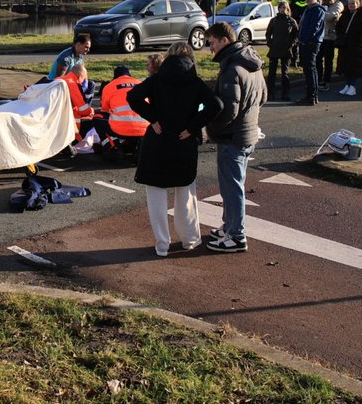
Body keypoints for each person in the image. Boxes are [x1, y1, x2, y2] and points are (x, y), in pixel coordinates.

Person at [127, 42, 222, 257]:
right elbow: (215, 105)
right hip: (183, 141)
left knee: (156, 194)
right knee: (186, 193)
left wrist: (153, 119)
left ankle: (162, 244)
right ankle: (190, 239)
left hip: (158, 141)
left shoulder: (157, 79)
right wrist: (192, 126)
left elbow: (133, 97)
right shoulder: (195, 82)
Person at [204, 22, 267, 253]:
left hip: (232, 137)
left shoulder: (231, 69)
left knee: (231, 188)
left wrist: (212, 126)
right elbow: (263, 97)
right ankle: (228, 226)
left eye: (211, 42)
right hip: (248, 132)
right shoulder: (252, 63)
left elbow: (229, 109)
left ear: (224, 40)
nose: (210, 48)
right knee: (232, 185)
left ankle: (237, 236)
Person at [96, 64, 149, 154]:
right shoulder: (141, 83)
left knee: (98, 117)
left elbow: (105, 109)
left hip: (120, 130)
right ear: (129, 75)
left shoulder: (109, 86)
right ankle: (140, 145)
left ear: (115, 76)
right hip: (144, 129)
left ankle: (113, 146)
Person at [295, 0, 325, 106]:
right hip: (306, 43)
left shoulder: (317, 10)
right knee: (309, 70)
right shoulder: (308, 9)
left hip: (311, 43)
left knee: (311, 70)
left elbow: (314, 27)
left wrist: (305, 39)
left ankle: (311, 96)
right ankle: (312, 96)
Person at [335, 0, 362, 97]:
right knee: (345, 65)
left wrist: (360, 42)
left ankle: (353, 86)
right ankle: (347, 84)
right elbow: (338, 26)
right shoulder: (345, 14)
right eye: (350, 3)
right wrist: (340, 36)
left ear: (358, 4)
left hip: (356, 46)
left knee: (354, 66)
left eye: (353, 3)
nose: (351, 5)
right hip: (345, 45)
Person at [264, 1, 299, 102]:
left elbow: (296, 35)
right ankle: (270, 94)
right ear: (278, 8)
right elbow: (268, 34)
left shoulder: (291, 21)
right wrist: (270, 43)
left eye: (285, 8)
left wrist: (291, 44)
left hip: (286, 50)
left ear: (288, 9)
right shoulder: (273, 21)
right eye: (281, 7)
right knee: (272, 74)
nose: (283, 9)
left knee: (285, 73)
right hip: (274, 49)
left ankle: (285, 94)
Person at [317, 0, 343, 91]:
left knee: (328, 61)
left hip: (331, 37)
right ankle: (319, 78)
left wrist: (321, 11)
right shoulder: (325, 6)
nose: (323, 2)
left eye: (324, 0)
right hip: (322, 37)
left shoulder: (338, 5)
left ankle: (326, 81)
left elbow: (330, 17)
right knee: (318, 58)